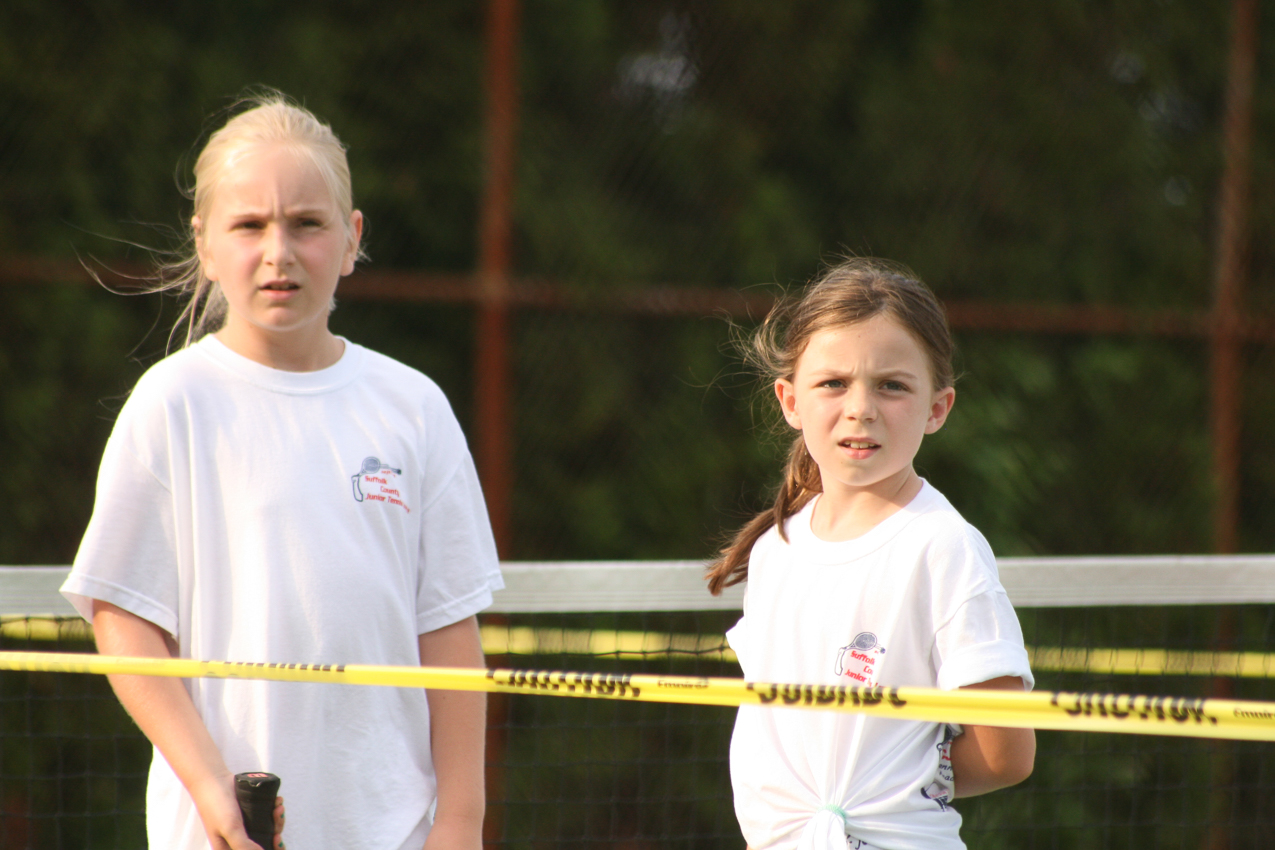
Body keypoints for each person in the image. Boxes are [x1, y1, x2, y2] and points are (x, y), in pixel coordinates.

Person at [61, 92, 503, 850]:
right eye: (249, 225)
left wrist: (459, 823)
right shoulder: (172, 404)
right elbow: (123, 619)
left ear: (352, 236)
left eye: (306, 222)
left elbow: (449, 629)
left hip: (393, 833)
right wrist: (212, 792)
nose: (279, 251)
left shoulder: (414, 407)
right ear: (203, 242)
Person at [706, 258, 1035, 850]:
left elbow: (1006, 753)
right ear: (790, 400)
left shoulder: (944, 548)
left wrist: (897, 790)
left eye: (892, 385)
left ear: (937, 408)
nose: (860, 407)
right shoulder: (776, 549)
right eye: (833, 383)